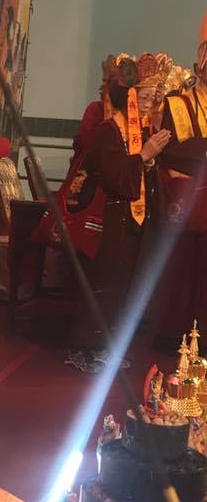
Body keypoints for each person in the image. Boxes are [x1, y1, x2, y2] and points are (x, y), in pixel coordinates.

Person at [67, 55, 171, 373]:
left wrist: (149, 159)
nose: (149, 104)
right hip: (109, 221)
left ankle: (107, 348)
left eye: (152, 98)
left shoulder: (138, 132)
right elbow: (115, 177)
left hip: (131, 222)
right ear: (128, 98)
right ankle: (85, 349)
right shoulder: (108, 131)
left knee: (122, 289)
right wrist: (145, 155)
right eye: (144, 97)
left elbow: (143, 176)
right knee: (104, 286)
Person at [154, 27, 207, 349]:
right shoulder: (177, 104)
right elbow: (169, 150)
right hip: (186, 194)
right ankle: (173, 333)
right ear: (200, 67)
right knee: (182, 266)